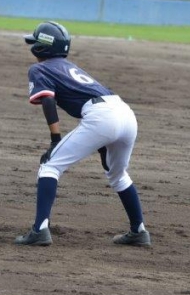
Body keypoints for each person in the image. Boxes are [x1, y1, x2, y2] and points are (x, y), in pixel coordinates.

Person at [15, 21, 151, 247]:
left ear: (42, 47)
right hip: (125, 113)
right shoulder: (69, 67)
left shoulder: (40, 68)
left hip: (102, 117)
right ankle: (139, 231)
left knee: (50, 166)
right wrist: (103, 144)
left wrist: (55, 140)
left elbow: (47, 100)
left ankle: (39, 230)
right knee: (118, 175)